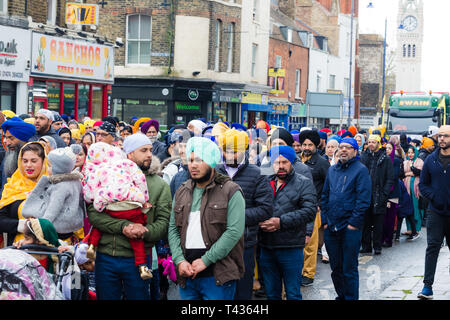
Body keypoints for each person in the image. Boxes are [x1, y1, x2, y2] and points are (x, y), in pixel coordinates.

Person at [88, 133, 171, 300]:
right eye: (143, 150)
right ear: (130, 154)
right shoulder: (107, 175)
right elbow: (94, 214)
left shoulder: (159, 185)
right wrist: (124, 227)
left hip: (138, 258)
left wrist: (143, 231)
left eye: (150, 150)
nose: (149, 154)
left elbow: (163, 223)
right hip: (106, 256)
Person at [168, 137, 245, 300]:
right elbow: (173, 229)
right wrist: (179, 260)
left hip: (218, 275)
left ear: (211, 161)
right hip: (187, 274)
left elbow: (234, 232)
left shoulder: (231, 191)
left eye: (199, 160)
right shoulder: (182, 190)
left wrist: (205, 260)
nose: (193, 165)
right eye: (190, 160)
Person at [215, 129, 273, 300]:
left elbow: (265, 209)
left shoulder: (258, 173)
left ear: (244, 150)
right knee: (219, 290)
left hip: (244, 243)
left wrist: (234, 217)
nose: (230, 154)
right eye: (227, 150)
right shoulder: (214, 172)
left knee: (242, 291)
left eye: (235, 150)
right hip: (216, 242)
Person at [83, 142, 153, 280]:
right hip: (132, 205)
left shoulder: (96, 170)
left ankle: (91, 246)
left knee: (100, 223)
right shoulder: (127, 164)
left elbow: (90, 193)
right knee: (137, 236)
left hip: (109, 205)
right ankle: (143, 267)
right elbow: (140, 179)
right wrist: (143, 198)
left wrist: (95, 200)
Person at [258, 145, 316, 300]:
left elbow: (309, 211)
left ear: (291, 162)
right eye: (277, 163)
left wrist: (280, 222)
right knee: (271, 294)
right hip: (266, 246)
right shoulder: (264, 181)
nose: (281, 166)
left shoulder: (303, 182)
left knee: (293, 293)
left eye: (285, 162)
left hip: (290, 247)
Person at [320, 137, 371, 300]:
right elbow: (325, 196)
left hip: (350, 228)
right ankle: (341, 296)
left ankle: (350, 297)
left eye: (348, 147)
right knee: (336, 267)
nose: (343, 150)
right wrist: (325, 221)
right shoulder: (332, 170)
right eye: (341, 147)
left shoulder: (361, 170)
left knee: (349, 268)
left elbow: (363, 200)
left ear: (355, 151)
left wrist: (353, 224)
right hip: (332, 227)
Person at [22, 145, 85, 239]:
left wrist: (42, 226)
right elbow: (81, 203)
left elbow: (53, 208)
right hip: (71, 225)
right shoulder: (76, 181)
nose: (47, 168)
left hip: (58, 226)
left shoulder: (60, 186)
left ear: (58, 168)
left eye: (50, 166)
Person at [417, 125, 450, 300]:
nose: (442, 139)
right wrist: (434, 196)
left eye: (446, 136)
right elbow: (423, 184)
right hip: (435, 211)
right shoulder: (431, 159)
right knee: (432, 248)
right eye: (440, 136)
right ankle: (427, 287)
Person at [298, 129, 330, 286]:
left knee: (310, 243)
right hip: (297, 207)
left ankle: (308, 274)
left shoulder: (322, 163)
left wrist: (321, 205)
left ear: (316, 145)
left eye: (310, 144)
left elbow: (329, 186)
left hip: (314, 208)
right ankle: (299, 270)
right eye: (304, 144)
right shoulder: (297, 161)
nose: (306, 147)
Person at [0, 142, 48, 246]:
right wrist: (23, 225)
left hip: (46, 249)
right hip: (16, 251)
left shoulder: (51, 186)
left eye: (34, 161)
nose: (28, 165)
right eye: (25, 161)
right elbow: (1, 219)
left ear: (44, 162)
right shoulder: (12, 186)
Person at [360, 134, 395, 255]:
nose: (370, 144)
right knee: (365, 222)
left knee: (378, 223)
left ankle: (377, 246)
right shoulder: (363, 156)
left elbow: (390, 178)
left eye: (373, 142)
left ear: (378, 144)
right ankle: (366, 246)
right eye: (369, 142)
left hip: (379, 195)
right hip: (365, 194)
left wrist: (385, 194)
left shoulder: (385, 158)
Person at [0, 117, 37, 193]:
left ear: (23, 139)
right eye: (5, 137)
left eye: (11, 138)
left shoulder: (36, 160)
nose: (6, 142)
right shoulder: (9, 155)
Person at [381, 142, 403, 248]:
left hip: (392, 193)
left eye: (390, 148)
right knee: (382, 218)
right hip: (382, 192)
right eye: (386, 148)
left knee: (390, 218)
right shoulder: (382, 159)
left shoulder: (396, 161)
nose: (387, 150)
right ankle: (381, 238)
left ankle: (388, 240)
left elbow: (394, 176)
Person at [401, 145, 424, 239]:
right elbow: (401, 173)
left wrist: (411, 167)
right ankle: (409, 228)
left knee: (415, 208)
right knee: (407, 208)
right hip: (406, 188)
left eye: (412, 152)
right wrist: (409, 173)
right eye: (409, 152)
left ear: (416, 153)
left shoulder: (420, 161)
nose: (410, 154)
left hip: (416, 189)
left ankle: (417, 229)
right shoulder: (405, 161)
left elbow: (419, 172)